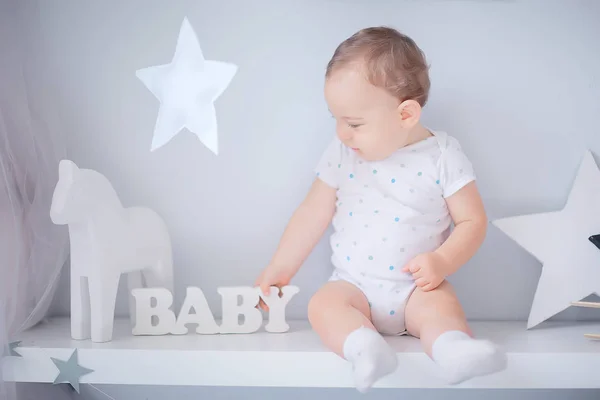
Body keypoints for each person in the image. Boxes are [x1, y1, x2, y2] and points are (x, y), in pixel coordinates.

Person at [255, 26, 507, 393]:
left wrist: (443, 261)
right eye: (336, 119)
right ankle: (364, 347)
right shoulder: (343, 153)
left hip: (416, 289)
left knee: (440, 308)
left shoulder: (442, 154)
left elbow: (472, 221)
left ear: (406, 114)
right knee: (322, 306)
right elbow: (312, 212)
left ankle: (454, 351)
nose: (342, 133)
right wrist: (280, 268)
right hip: (352, 287)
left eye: (354, 123)